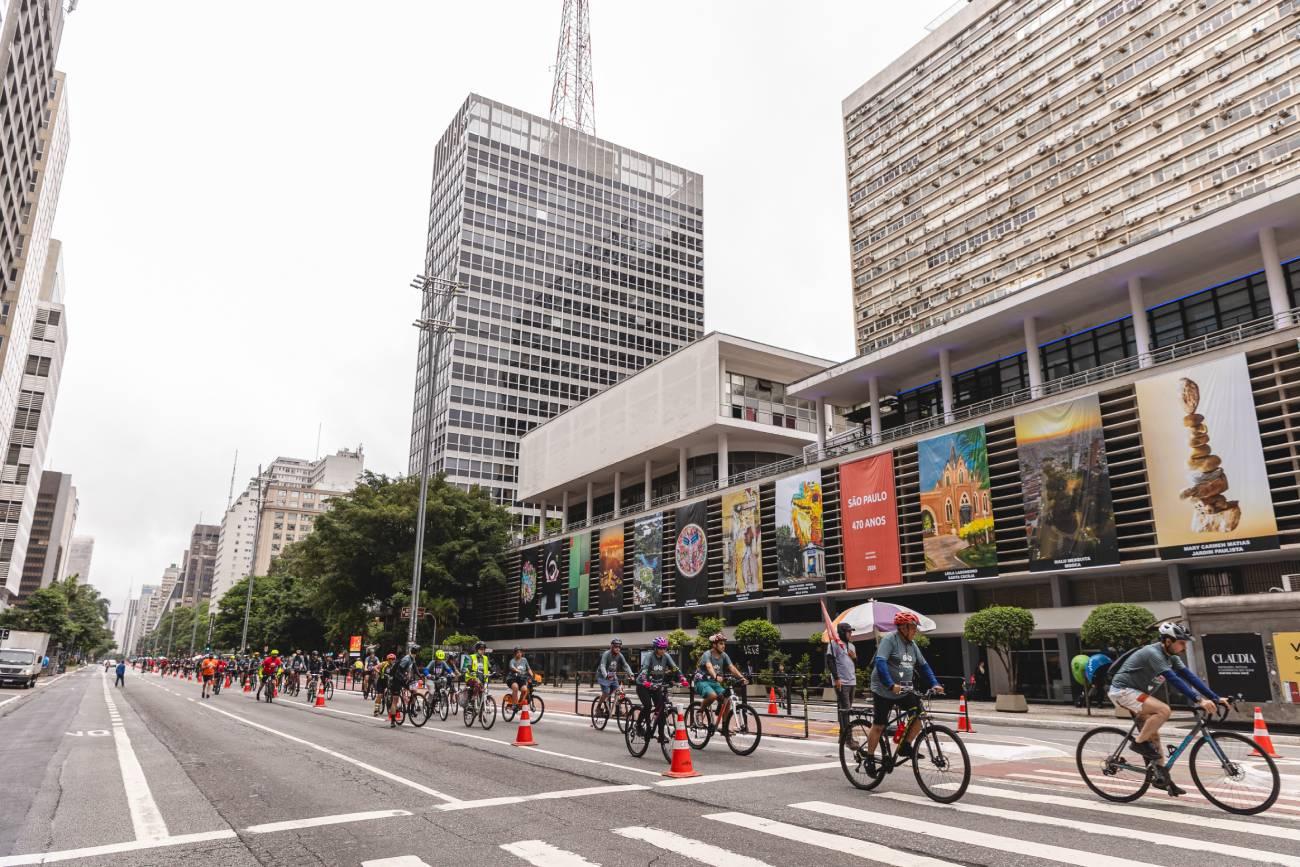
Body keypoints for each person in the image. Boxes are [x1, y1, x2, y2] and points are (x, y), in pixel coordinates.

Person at [1107, 622, 1228, 796]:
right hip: (1122, 691)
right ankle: (1138, 744)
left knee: (1154, 739)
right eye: (1181, 642)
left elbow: (1189, 677)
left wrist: (1215, 698)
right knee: (1164, 710)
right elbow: (1174, 679)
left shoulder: (1171, 656)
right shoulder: (1153, 653)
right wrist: (1198, 700)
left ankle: (1162, 779)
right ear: (1168, 641)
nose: (1184, 647)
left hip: (1137, 693)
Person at [865, 611, 943, 772]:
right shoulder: (890, 640)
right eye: (913, 628)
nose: (915, 631)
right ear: (903, 628)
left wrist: (935, 683)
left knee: (919, 715)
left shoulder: (912, 645)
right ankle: (869, 757)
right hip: (883, 689)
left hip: (904, 689)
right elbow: (880, 663)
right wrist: (890, 684)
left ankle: (905, 746)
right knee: (879, 726)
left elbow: (924, 666)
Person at [636, 637, 689, 739]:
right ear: (655, 648)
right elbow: (644, 669)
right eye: (661, 648)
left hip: (657, 686)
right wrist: (645, 681)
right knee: (647, 706)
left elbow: (675, 668)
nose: (663, 650)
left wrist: (682, 677)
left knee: (661, 710)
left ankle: (661, 734)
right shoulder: (649, 656)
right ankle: (638, 725)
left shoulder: (666, 656)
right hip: (643, 685)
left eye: (665, 648)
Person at [695, 632, 747, 728]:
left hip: (714, 683)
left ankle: (724, 727)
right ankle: (700, 712)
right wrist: (715, 676)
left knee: (727, 699)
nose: (724, 646)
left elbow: (732, 667)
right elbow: (709, 666)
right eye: (721, 643)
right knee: (712, 695)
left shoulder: (724, 655)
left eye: (724, 643)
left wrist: (741, 677)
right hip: (702, 681)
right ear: (714, 645)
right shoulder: (707, 654)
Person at [827, 621, 858, 739]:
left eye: (851, 631)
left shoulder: (852, 646)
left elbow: (855, 664)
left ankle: (843, 735)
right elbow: (830, 661)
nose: (850, 633)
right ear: (841, 632)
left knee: (846, 708)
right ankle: (848, 737)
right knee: (845, 708)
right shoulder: (834, 644)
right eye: (848, 631)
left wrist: (854, 657)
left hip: (852, 681)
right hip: (841, 681)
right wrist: (836, 678)